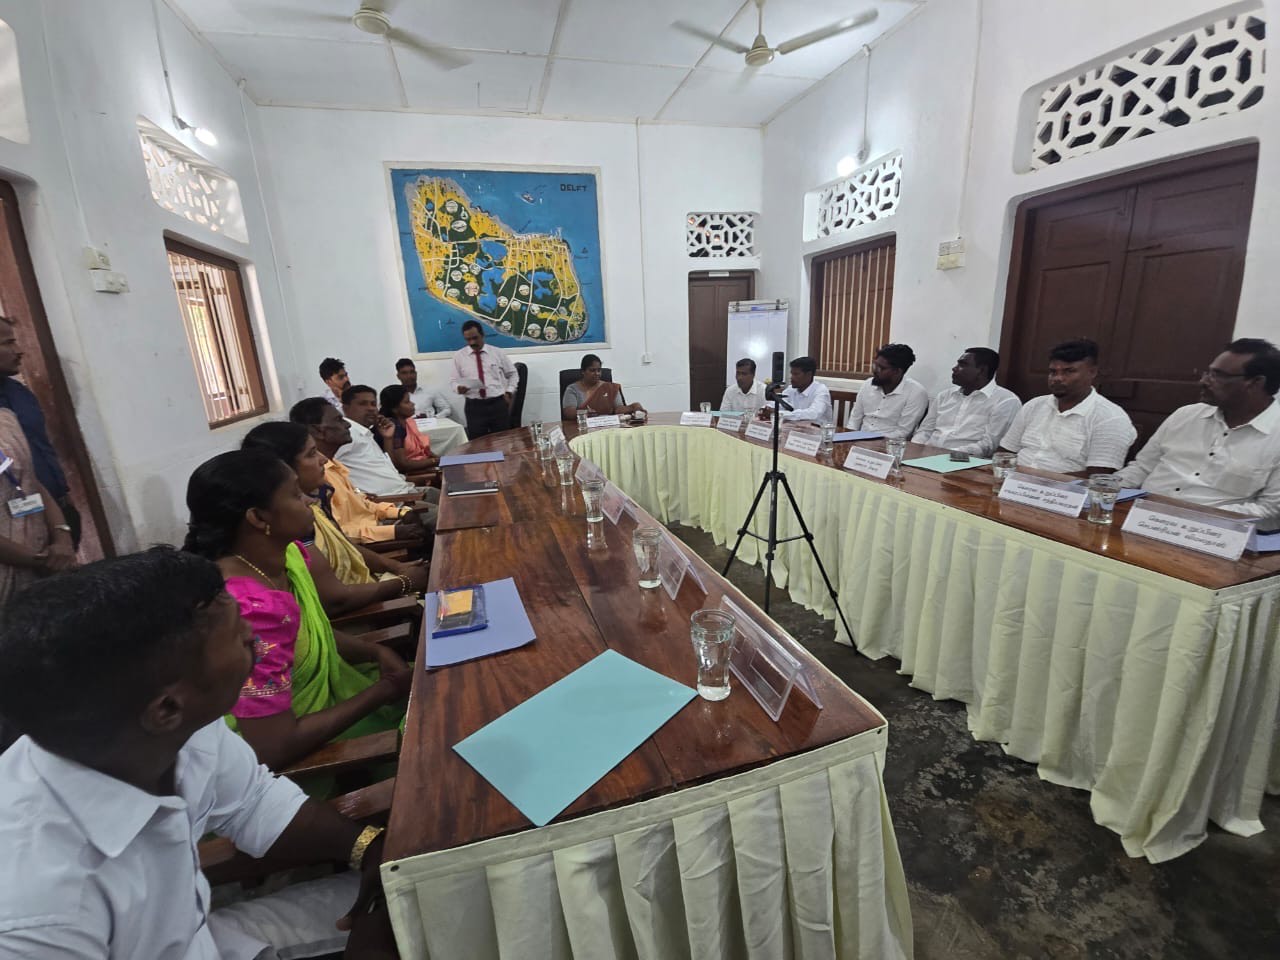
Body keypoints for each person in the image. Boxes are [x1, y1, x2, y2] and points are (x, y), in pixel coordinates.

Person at [0, 547, 399, 958]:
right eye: (235, 633)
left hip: (200, 934)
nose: (252, 635)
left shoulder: (174, 729)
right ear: (166, 708)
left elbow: (255, 801)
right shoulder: (36, 915)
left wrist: (370, 848)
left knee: (417, 890)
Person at [184, 450, 411, 773]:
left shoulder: (287, 555)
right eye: (295, 494)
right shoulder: (245, 610)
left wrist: (373, 651)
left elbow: (307, 632)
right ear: (258, 518)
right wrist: (386, 689)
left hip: (337, 700)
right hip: (307, 763)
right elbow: (274, 747)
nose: (309, 501)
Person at [242, 421, 429, 615]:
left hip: (369, 588)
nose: (323, 459)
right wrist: (404, 582)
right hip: (364, 613)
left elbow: (345, 544)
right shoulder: (292, 525)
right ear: (284, 468)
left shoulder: (314, 500)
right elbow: (335, 600)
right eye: (311, 454)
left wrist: (397, 567)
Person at [1114, 338, 1280, 525]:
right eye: (1208, 372)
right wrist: (1103, 489)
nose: (1203, 381)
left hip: (1212, 530)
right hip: (1139, 517)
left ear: (1256, 382)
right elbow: (1142, 468)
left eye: (1218, 375)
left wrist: (1192, 516)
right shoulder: (1186, 415)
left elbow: (1270, 510)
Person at [291, 398, 430, 547]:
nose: (348, 425)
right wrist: (394, 531)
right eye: (339, 420)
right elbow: (341, 532)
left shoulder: (336, 465)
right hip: (370, 540)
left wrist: (399, 512)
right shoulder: (318, 477)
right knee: (438, 520)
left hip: (378, 522)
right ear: (318, 431)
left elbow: (363, 504)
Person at [999, 338, 1136, 476]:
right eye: (1053, 372)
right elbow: (1005, 452)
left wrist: (1036, 480)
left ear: (1092, 372)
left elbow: (1097, 476)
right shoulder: (1034, 405)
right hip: (1011, 481)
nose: (1057, 378)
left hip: (1063, 488)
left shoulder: (1110, 418)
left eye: (1069, 371)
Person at [0, 316, 81, 547]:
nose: (19, 350)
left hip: (56, 509)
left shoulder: (18, 392)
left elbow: (40, 450)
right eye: (8, 343)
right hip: (12, 524)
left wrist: (63, 505)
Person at [0, 409, 75, 604]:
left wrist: (62, 536)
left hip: (43, 560)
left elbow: (31, 481)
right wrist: (41, 560)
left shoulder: (6, 419)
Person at [913, 348, 1022, 457]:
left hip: (965, 461)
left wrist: (948, 455)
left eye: (962, 365)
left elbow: (988, 445)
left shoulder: (1006, 401)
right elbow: (925, 431)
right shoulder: (944, 396)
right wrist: (914, 449)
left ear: (982, 370)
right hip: (926, 456)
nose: (954, 368)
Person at [339, 384, 439, 497]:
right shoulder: (345, 435)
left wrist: (388, 438)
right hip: (393, 500)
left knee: (447, 495)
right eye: (363, 404)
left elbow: (391, 468)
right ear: (345, 408)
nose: (371, 408)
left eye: (373, 404)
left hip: (405, 490)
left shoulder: (365, 432)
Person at [450, 319, 519, 439]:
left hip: (497, 404)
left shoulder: (497, 353)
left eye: (475, 338)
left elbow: (513, 374)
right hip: (474, 406)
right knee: (477, 443)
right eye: (468, 339)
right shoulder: (459, 356)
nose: (472, 342)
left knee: (503, 440)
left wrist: (509, 391)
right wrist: (458, 388)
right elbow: (453, 380)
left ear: (482, 335)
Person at [846, 343, 930, 439]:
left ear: (897, 371)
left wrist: (871, 440)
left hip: (889, 443)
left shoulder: (916, 392)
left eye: (881, 368)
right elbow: (854, 419)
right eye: (875, 365)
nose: (875, 370)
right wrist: (848, 438)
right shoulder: (867, 384)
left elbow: (903, 432)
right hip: (859, 439)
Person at [561, 353, 645, 420]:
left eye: (599, 370)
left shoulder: (610, 388)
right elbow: (568, 412)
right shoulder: (572, 389)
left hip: (608, 426)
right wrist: (585, 413)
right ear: (583, 371)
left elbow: (618, 409)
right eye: (592, 370)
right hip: (582, 428)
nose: (597, 373)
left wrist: (633, 406)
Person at [379, 384, 440, 475]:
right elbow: (403, 465)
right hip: (410, 474)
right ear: (395, 409)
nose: (413, 404)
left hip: (423, 467)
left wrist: (440, 460)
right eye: (407, 402)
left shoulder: (408, 421)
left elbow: (423, 449)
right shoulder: (393, 427)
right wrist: (435, 461)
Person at [765, 356, 832, 424]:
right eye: (791, 374)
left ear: (809, 374)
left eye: (796, 374)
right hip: (794, 427)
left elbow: (813, 414)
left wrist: (778, 414)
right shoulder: (791, 389)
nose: (791, 377)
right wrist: (768, 408)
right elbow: (781, 404)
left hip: (818, 428)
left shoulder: (821, 390)